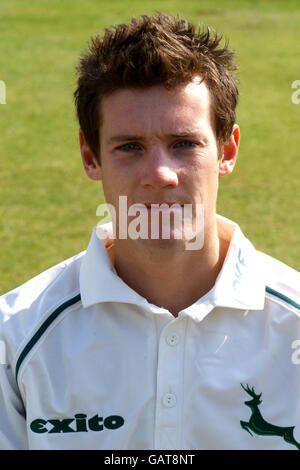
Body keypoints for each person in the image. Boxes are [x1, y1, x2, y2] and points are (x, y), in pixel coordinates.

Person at [0, 12, 299, 451]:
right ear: (90, 157)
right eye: (129, 147)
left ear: (227, 150)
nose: (160, 174)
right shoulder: (15, 338)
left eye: (184, 143)